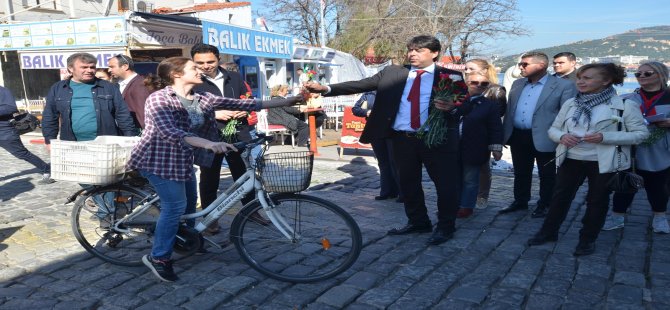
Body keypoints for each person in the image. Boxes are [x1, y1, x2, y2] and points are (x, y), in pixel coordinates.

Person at [127, 57, 301, 282]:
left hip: (182, 160)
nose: (200, 71)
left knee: (189, 205)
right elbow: (169, 131)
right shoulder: (159, 99)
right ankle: (158, 257)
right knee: (175, 207)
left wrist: (286, 101)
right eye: (194, 68)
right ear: (176, 74)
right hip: (157, 160)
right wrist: (208, 144)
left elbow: (243, 104)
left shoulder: (202, 98)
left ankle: (188, 241)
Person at [304, 35, 471, 246]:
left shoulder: (450, 76)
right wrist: (326, 89)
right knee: (407, 183)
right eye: (410, 49)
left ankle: (446, 227)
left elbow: (466, 104)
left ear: (434, 53)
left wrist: (453, 107)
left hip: (437, 140)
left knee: (445, 185)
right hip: (402, 139)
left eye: (419, 50)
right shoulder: (393, 72)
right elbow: (361, 84)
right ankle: (418, 221)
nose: (412, 54)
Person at [527, 63, 648, 256]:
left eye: (587, 78)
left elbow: (641, 134)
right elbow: (554, 129)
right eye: (579, 78)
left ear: (606, 81)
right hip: (571, 157)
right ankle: (548, 232)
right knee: (559, 197)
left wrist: (605, 137)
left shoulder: (625, 105)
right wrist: (562, 137)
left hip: (603, 161)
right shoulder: (571, 103)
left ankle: (587, 239)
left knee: (597, 201)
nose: (581, 82)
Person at [190, 43, 266, 234]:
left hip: (236, 133)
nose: (205, 66)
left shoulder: (235, 77)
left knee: (243, 173)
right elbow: (188, 108)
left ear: (218, 59)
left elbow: (245, 98)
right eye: (200, 62)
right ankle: (210, 218)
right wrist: (214, 114)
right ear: (193, 62)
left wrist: (244, 109)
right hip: (209, 135)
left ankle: (251, 210)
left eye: (210, 61)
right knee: (210, 178)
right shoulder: (192, 81)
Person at [500, 51, 577, 218]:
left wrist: (562, 136)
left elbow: (567, 114)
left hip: (546, 136)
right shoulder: (518, 84)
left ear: (541, 65)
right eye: (520, 64)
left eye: (525, 64)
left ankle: (545, 204)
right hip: (518, 135)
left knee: (547, 174)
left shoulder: (563, 86)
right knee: (520, 172)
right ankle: (520, 201)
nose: (520, 67)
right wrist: (505, 134)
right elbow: (510, 110)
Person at [604, 61, 670, 233]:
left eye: (647, 73)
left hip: (660, 148)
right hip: (631, 147)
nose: (641, 77)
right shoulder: (629, 98)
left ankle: (660, 217)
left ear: (661, 75)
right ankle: (617, 216)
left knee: (658, 185)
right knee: (625, 182)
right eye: (638, 74)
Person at [42, 52, 136, 146]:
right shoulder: (58, 88)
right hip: (71, 143)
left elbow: (123, 114)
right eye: (84, 67)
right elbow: (50, 116)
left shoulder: (108, 87)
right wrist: (49, 140)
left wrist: (129, 138)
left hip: (106, 144)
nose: (89, 70)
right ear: (71, 69)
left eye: (92, 67)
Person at [457, 72, 504, 218]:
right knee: (452, 178)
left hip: (475, 147)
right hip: (451, 146)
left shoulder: (489, 105)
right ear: (466, 82)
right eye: (474, 82)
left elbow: (495, 127)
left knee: (470, 179)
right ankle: (451, 204)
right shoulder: (454, 100)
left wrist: (496, 148)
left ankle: (466, 206)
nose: (479, 86)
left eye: (484, 84)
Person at [352, 91, 404, 202]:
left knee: (394, 162)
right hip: (375, 130)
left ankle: (402, 193)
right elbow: (355, 109)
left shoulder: (394, 91)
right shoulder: (368, 94)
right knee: (383, 162)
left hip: (392, 130)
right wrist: (367, 112)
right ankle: (386, 192)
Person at [0, 86, 53, 184]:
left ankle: (47, 169)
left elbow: (11, 108)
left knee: (22, 154)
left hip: (4, 131)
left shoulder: (3, 91)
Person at [107, 54, 154, 129]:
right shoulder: (117, 84)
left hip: (137, 131)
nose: (109, 70)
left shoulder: (139, 84)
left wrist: (145, 133)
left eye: (112, 67)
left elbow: (142, 112)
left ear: (125, 66)